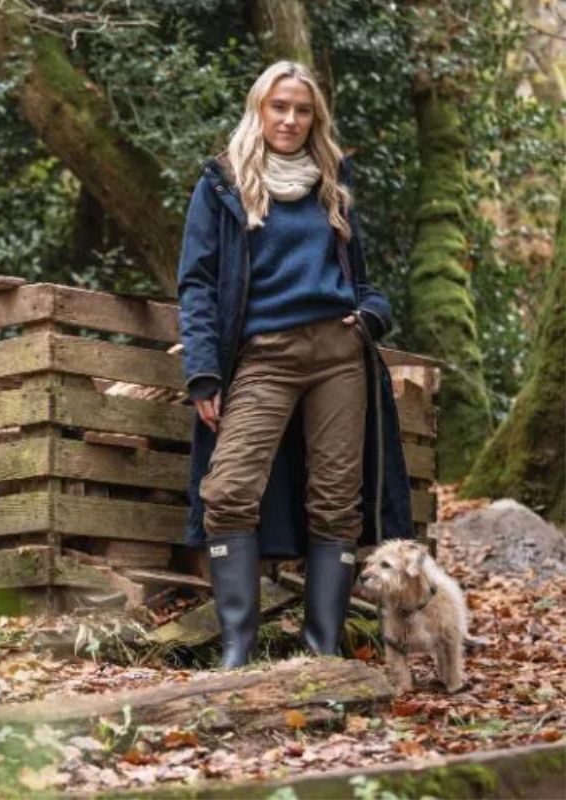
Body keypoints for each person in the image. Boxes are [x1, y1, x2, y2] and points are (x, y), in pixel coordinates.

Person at [177, 61, 414, 669]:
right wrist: (203, 371)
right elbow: (198, 283)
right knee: (227, 491)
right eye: (279, 106)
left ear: (315, 118)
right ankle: (237, 652)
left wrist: (370, 316)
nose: (289, 119)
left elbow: (361, 280)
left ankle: (323, 654)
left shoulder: (333, 180)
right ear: (260, 109)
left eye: (302, 109)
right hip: (264, 357)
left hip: (339, 357)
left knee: (336, 502)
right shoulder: (223, 183)